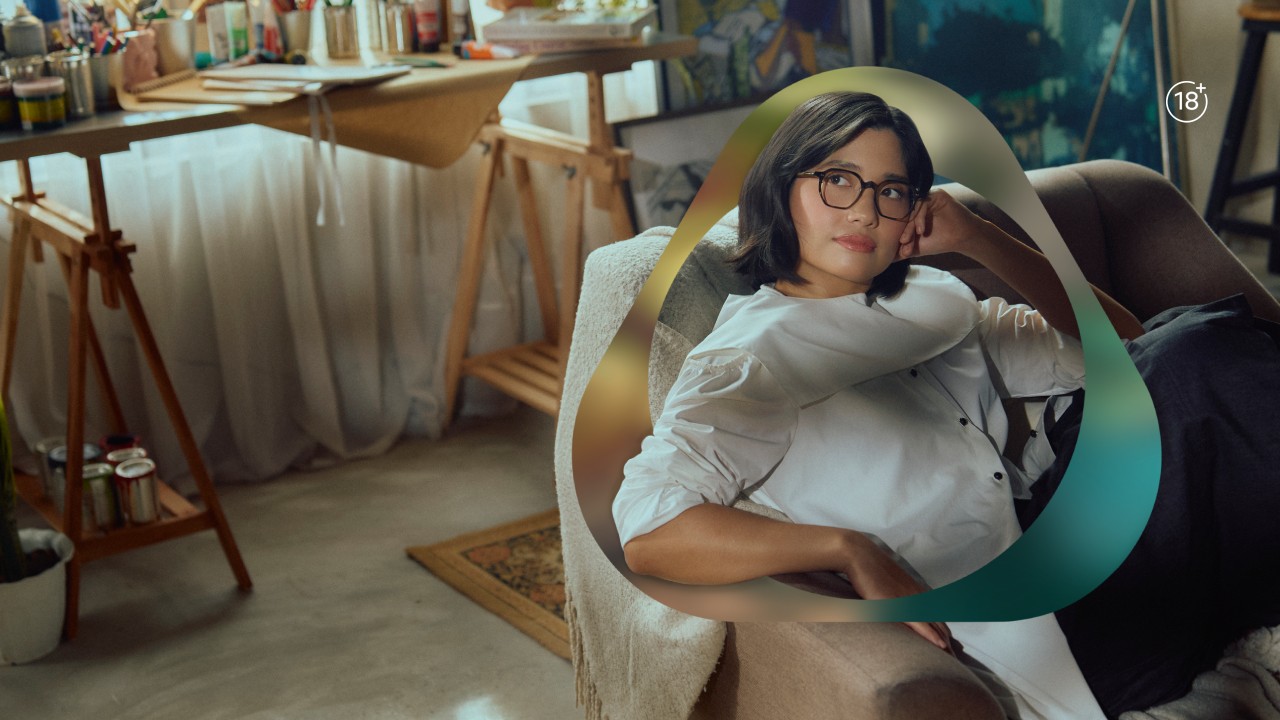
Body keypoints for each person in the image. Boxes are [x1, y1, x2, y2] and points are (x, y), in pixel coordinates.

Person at [610, 91, 1280, 720]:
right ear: (781, 188)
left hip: (1081, 546)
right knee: (1192, 355)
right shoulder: (749, 360)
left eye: (891, 191)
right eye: (838, 180)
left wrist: (983, 240)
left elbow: (1127, 348)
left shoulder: (931, 301)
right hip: (1035, 621)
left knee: (1189, 349)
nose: (865, 212)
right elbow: (649, 529)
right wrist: (849, 550)